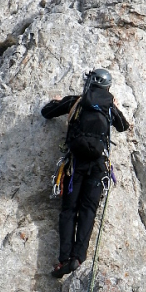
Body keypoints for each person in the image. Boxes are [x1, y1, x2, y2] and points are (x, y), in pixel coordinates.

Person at [42, 68, 129, 278]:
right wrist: (115, 107)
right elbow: (123, 126)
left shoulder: (77, 102)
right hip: (98, 166)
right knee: (88, 211)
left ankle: (63, 259)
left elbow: (47, 112)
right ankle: (78, 257)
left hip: (75, 164)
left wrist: (55, 101)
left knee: (69, 210)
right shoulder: (109, 107)